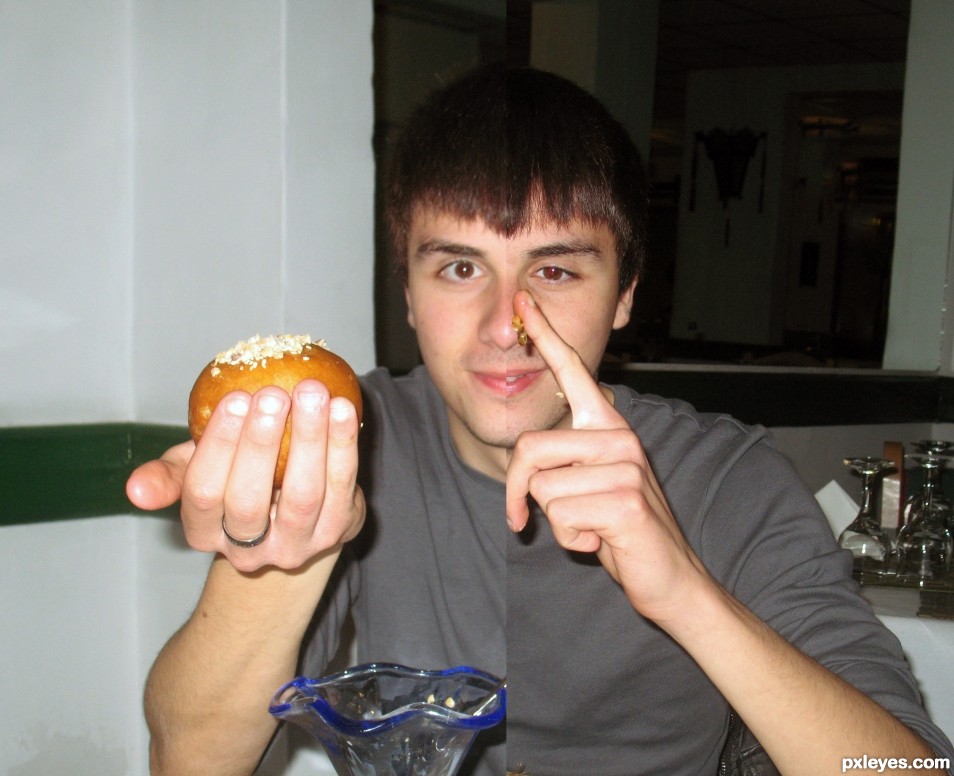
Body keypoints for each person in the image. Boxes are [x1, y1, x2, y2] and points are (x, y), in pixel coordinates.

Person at [127, 65, 954, 776]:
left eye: (554, 269)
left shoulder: (730, 476)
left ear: (626, 294)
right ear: (407, 294)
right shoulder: (345, 441)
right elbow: (190, 759)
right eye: (459, 267)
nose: (505, 323)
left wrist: (689, 596)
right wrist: (283, 554)